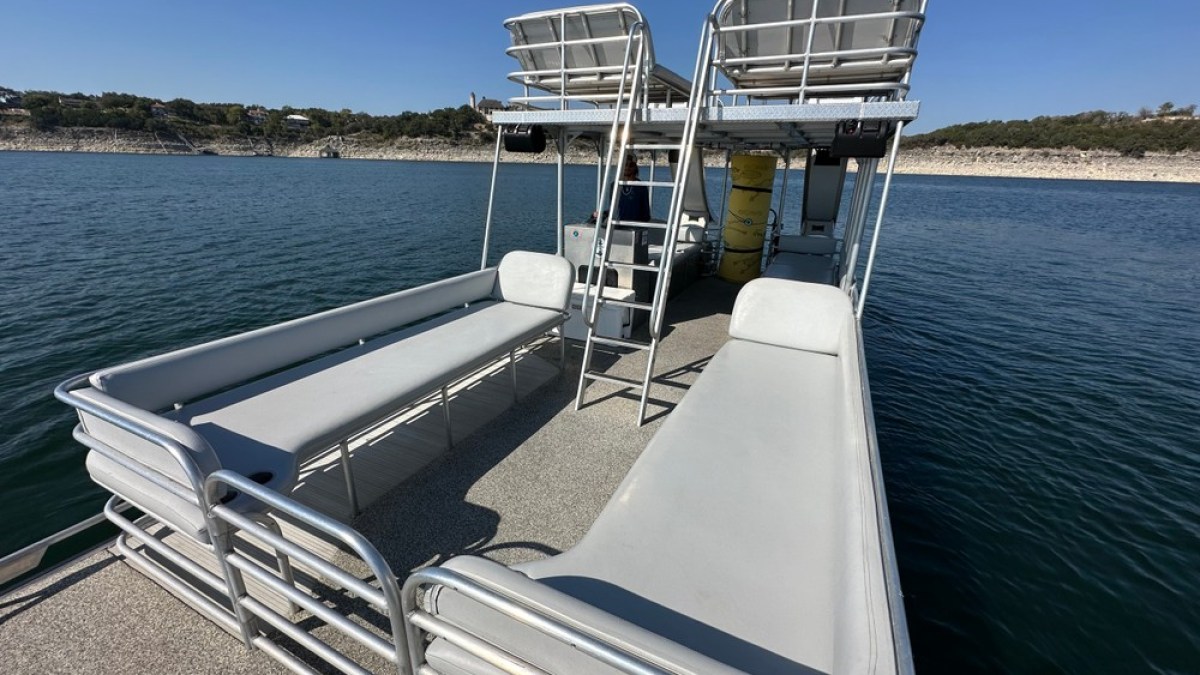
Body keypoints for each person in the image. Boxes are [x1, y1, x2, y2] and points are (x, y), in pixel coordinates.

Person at [589, 154, 651, 224]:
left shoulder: (641, 187)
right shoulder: (614, 185)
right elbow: (613, 208)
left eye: (631, 165)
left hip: (634, 226)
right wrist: (602, 213)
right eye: (625, 164)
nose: (627, 167)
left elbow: (646, 215)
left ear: (635, 167)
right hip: (617, 225)